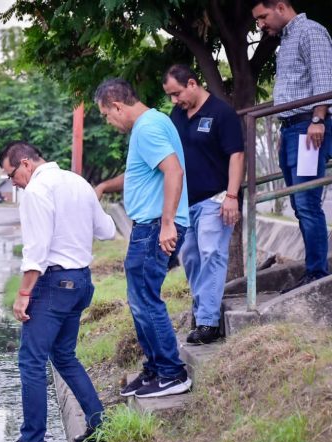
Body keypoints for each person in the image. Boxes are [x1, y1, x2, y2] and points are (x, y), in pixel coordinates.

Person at [0, 141, 116, 442]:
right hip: (80, 282)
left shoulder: (36, 191)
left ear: (25, 164)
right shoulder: (79, 184)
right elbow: (107, 231)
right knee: (63, 355)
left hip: (52, 285)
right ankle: (100, 423)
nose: (13, 183)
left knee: (31, 361)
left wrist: (23, 295)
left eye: (11, 175)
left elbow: (37, 251)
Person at [93, 78, 192, 398]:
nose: (109, 122)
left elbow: (174, 171)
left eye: (107, 115)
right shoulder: (152, 123)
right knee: (139, 300)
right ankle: (154, 370)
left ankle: (172, 373)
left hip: (154, 226)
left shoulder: (147, 127)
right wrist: (106, 186)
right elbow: (141, 173)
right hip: (150, 224)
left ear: (117, 106)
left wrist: (167, 224)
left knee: (145, 299)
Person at [252, 0, 332, 293]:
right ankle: (313, 269)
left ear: (281, 7)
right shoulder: (285, 39)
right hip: (291, 129)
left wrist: (317, 120)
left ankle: (317, 273)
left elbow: (325, 80)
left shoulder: (311, 31)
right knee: (298, 203)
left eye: (263, 17)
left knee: (307, 202)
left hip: (309, 126)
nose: (261, 24)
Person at [162, 64, 245, 345]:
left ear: (193, 84)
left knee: (212, 253)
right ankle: (203, 314)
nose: (175, 101)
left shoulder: (222, 113)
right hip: (187, 203)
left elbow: (236, 155)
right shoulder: (177, 116)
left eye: (177, 94)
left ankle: (208, 322)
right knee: (192, 259)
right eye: (171, 96)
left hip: (217, 197)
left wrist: (232, 196)